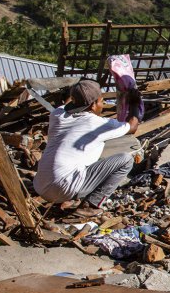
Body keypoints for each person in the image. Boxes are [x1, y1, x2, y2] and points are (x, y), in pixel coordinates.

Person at [33, 79, 140, 218]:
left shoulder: (57, 115)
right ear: (93, 105)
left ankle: (74, 198)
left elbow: (66, 104)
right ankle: (91, 206)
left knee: (95, 154)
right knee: (125, 160)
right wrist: (136, 104)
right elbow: (132, 127)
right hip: (62, 190)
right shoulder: (95, 123)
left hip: (40, 185)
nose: (103, 106)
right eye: (102, 101)